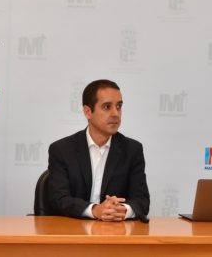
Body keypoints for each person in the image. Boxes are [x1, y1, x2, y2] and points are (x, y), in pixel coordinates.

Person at [46, 79, 149, 221]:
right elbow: (58, 199)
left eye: (118, 106)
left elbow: (142, 200)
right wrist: (94, 210)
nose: (116, 113)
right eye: (107, 107)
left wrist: (122, 210)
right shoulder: (62, 150)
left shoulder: (132, 150)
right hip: (73, 229)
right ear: (88, 112)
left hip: (114, 230)